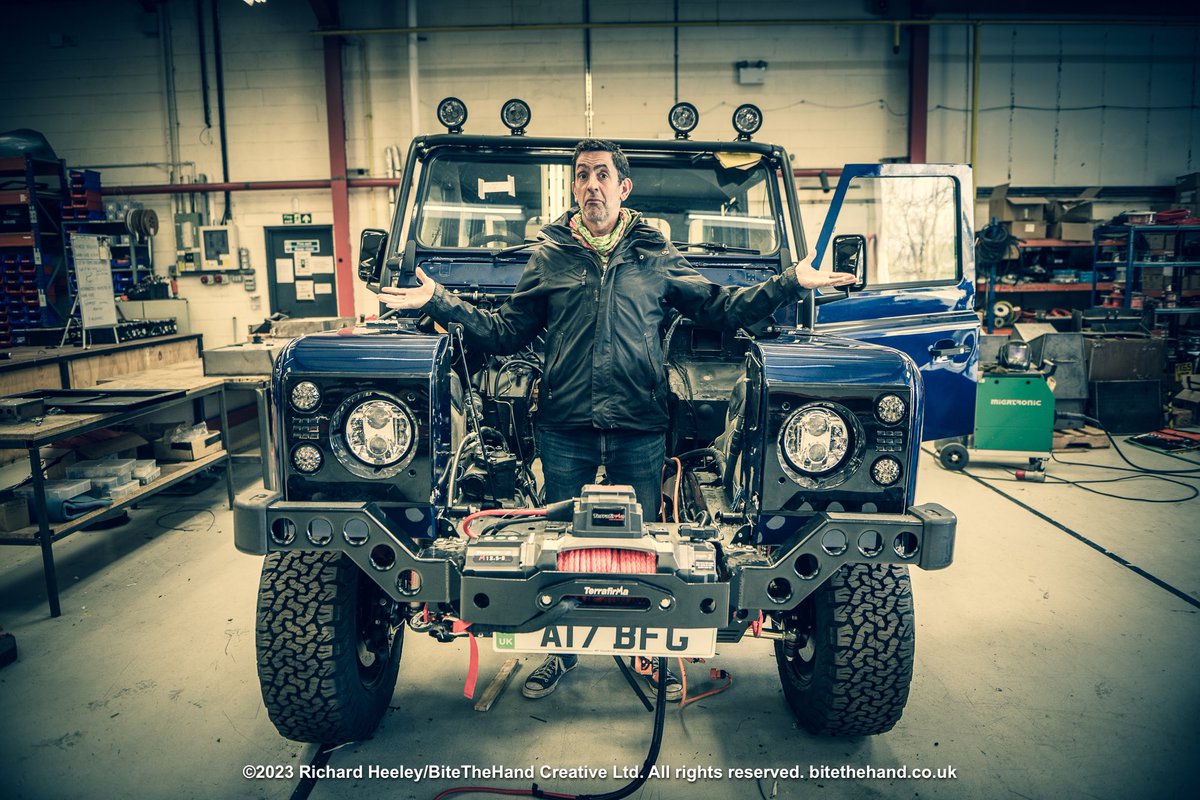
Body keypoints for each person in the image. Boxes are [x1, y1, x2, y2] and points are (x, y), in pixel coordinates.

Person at [381, 138, 856, 701]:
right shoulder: (551, 257)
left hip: (638, 423)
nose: (591, 186)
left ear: (623, 188)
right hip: (563, 426)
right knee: (559, 547)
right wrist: (437, 299)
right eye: (581, 176)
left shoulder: (654, 255)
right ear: (574, 189)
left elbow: (721, 309)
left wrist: (789, 283)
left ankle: (646, 652)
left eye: (602, 175)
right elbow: (505, 331)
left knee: (642, 550)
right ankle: (559, 651)